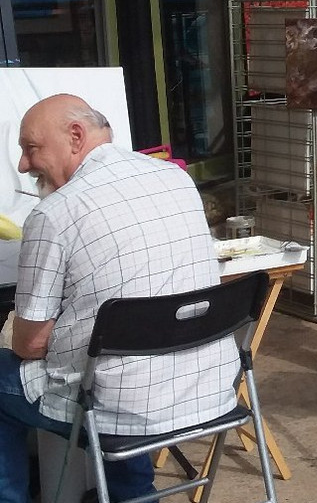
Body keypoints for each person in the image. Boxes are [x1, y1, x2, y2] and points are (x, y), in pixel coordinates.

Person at [0, 95, 238, 502]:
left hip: (118, 408)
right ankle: (134, 492)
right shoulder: (176, 179)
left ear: (76, 136)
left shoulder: (55, 213)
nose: (23, 165)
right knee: (119, 360)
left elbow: (31, 345)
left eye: (31, 148)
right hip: (209, 389)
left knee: (46, 373)